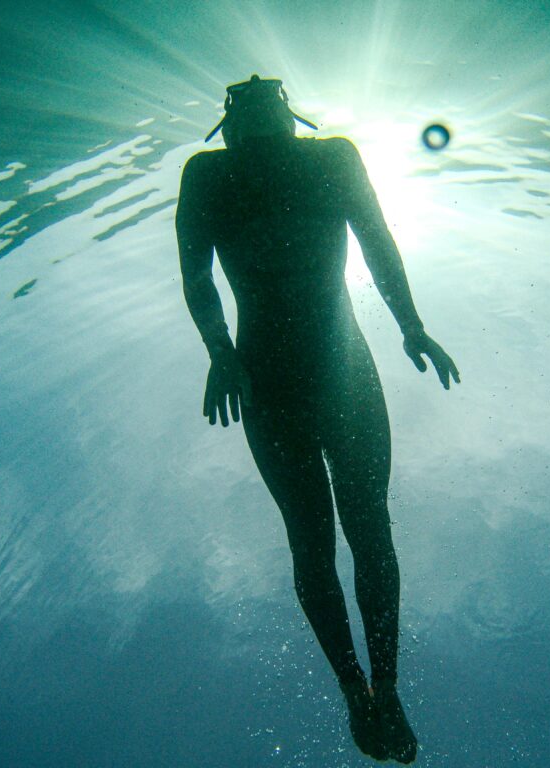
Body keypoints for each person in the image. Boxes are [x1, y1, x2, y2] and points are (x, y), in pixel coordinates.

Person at [176, 75, 460, 763]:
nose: (253, 104)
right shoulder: (241, 170)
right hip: (294, 378)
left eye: (258, 100)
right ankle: (363, 689)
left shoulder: (305, 161)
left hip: (311, 373)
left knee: (357, 529)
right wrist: (218, 352)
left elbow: (377, 240)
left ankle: (378, 688)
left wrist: (413, 325)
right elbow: (196, 273)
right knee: (327, 538)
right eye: (247, 102)